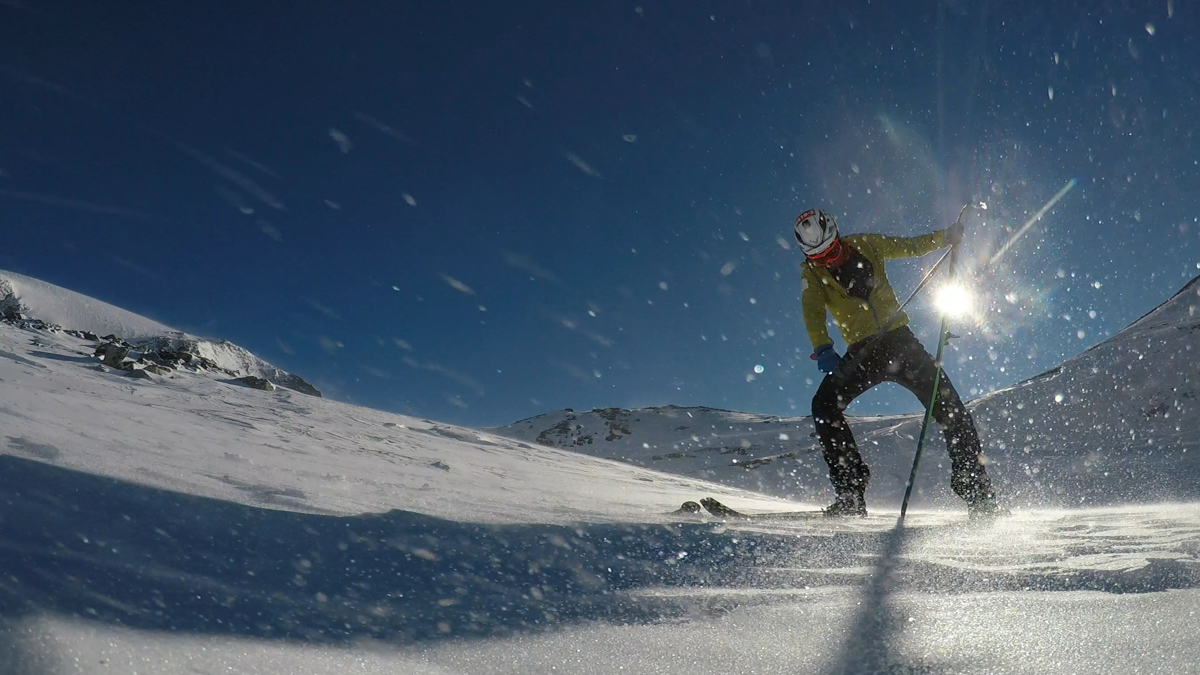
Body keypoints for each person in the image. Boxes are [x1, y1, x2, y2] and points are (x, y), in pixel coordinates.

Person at [794, 208, 1004, 518]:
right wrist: (822, 346)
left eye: (832, 252)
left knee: (950, 408)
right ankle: (850, 494)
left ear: (838, 237)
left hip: (900, 343)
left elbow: (910, 246)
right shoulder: (811, 275)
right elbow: (812, 311)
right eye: (819, 258)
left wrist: (944, 237)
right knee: (824, 405)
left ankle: (977, 493)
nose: (829, 261)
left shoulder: (867, 244)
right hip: (862, 352)